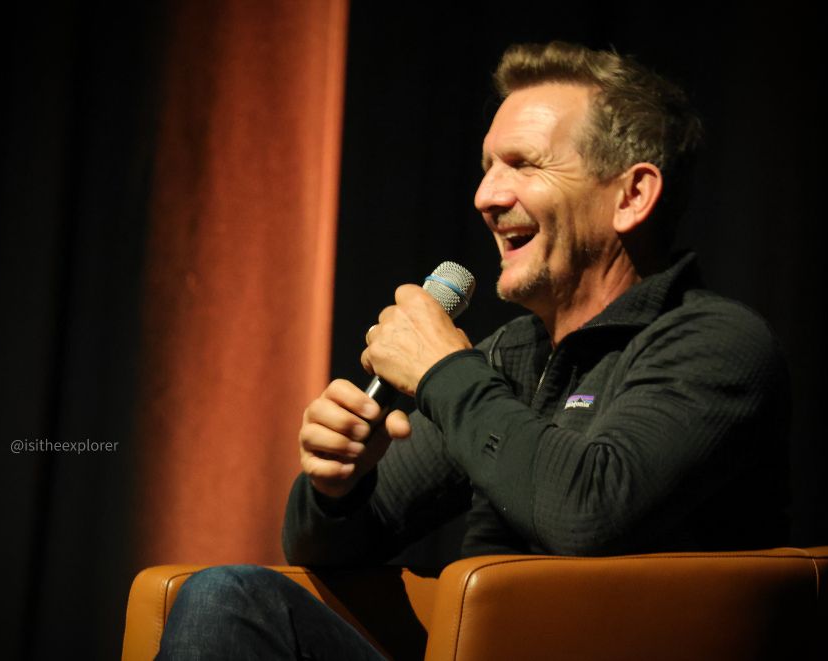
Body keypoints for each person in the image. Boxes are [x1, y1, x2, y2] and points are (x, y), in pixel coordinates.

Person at [156, 40, 789, 660]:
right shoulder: (510, 357)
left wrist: (443, 371)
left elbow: (589, 514)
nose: (487, 196)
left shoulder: (716, 344)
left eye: (523, 164)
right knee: (231, 597)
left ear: (632, 196)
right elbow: (325, 549)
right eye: (487, 167)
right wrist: (337, 485)